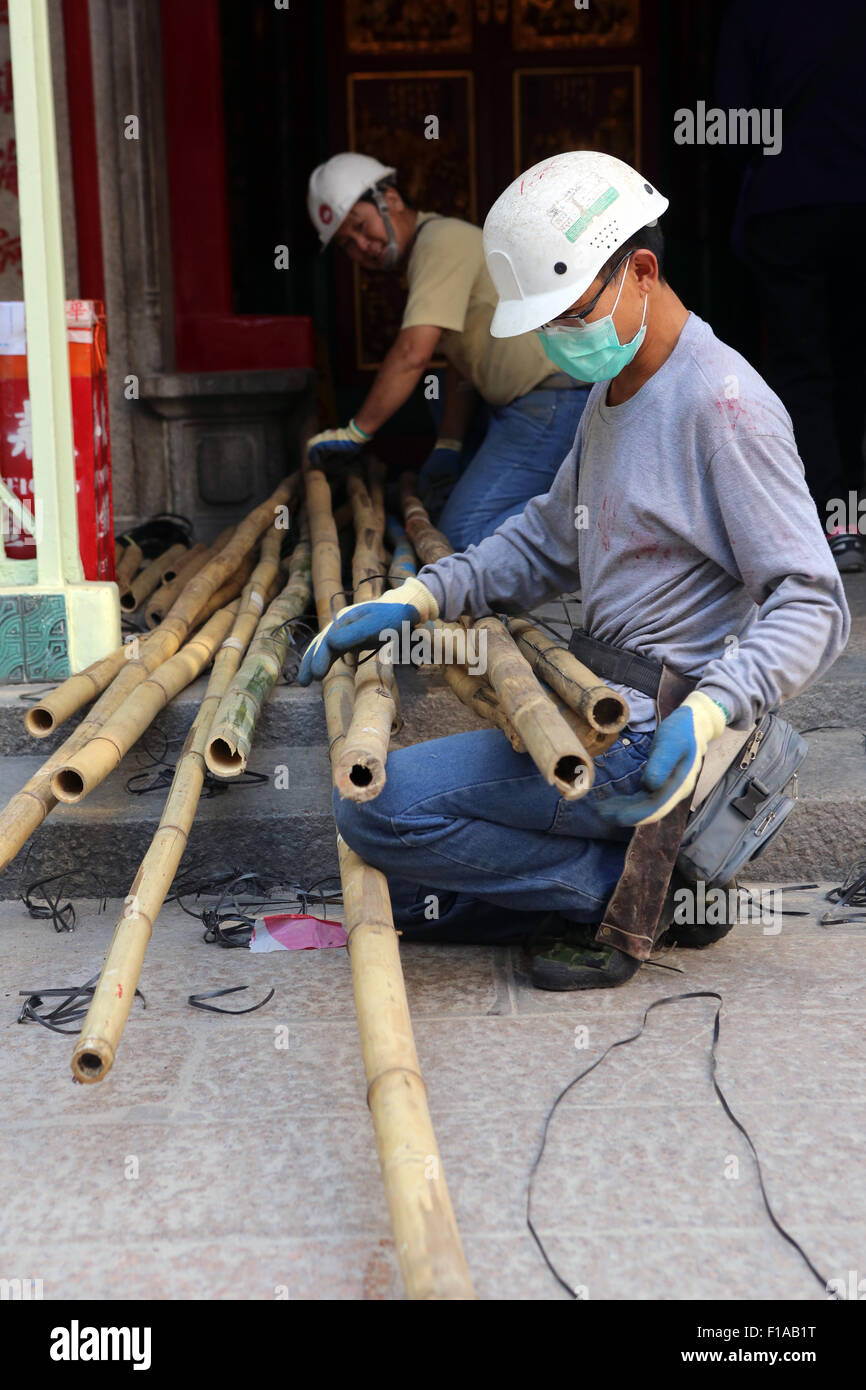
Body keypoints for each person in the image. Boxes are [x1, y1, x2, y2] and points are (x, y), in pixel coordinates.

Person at [299, 151, 850, 992]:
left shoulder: (724, 404)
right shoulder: (615, 385)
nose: (562, 339)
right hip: (596, 708)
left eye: (572, 312)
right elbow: (549, 539)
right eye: (547, 322)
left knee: (370, 811)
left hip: (651, 731)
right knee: (407, 899)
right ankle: (632, 874)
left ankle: (637, 891)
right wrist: (415, 596)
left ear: (640, 271)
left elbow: (813, 601)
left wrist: (708, 714)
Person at [305, 152, 590, 547]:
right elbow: (461, 360)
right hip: (529, 402)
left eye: (360, 226)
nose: (362, 246)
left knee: (464, 532)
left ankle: (598, 518)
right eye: (347, 244)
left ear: (390, 200)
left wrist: (356, 431)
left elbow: (411, 354)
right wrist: (449, 443)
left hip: (551, 401)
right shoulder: (431, 247)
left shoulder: (438, 244)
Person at [716, 0, 866, 571]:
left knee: (803, 365)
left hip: (790, 202)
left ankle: (837, 524)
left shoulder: (754, 14)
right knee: (854, 361)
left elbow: (730, 126)